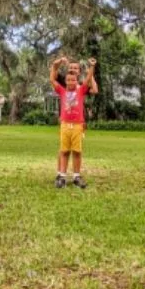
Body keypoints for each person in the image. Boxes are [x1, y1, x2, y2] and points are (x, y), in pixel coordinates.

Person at [49, 51, 98, 188]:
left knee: (77, 151)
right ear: (65, 81)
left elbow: (89, 81)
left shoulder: (81, 90)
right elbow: (52, 79)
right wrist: (55, 64)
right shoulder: (62, 90)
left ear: (77, 80)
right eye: (68, 80)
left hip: (77, 125)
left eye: (73, 80)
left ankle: (77, 176)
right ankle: (62, 176)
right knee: (64, 151)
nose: (71, 81)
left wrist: (92, 67)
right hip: (65, 125)